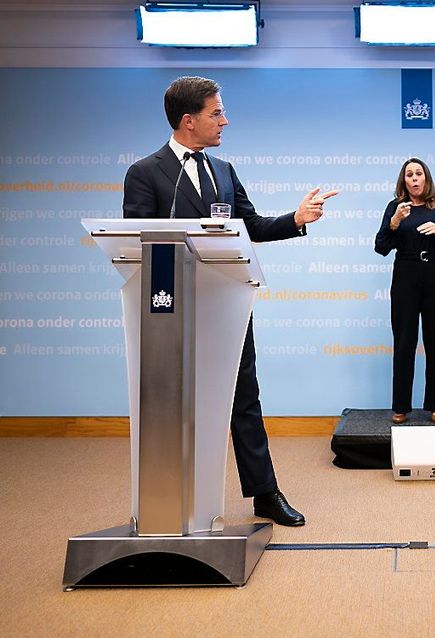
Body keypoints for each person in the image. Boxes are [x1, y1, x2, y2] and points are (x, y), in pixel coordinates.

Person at [123, 76, 338, 526]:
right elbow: (140, 245)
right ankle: (174, 496)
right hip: (172, 309)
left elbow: (251, 226)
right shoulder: (145, 173)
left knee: (244, 398)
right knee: (177, 403)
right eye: (216, 112)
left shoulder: (223, 171)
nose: (225, 120)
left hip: (229, 303)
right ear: (188, 121)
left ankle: (265, 493)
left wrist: (296, 219)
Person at [374, 158, 435, 425]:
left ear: (426, 178)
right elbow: (381, 247)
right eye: (409, 174)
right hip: (405, 275)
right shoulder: (395, 207)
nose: (414, 178)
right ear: (404, 181)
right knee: (404, 342)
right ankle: (401, 406)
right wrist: (394, 222)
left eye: (418, 173)